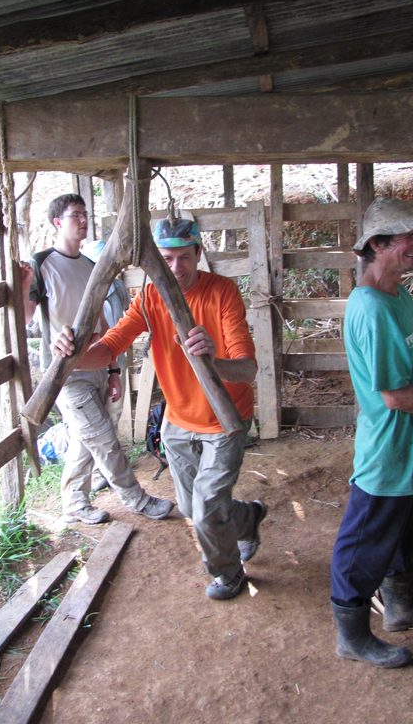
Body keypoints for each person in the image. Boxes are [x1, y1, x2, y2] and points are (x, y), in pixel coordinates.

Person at [53, 218, 267, 600]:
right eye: (166, 258)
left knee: (205, 509)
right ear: (154, 263)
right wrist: (73, 356)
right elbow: (110, 346)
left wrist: (212, 360)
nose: (176, 268)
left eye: (185, 257)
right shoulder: (150, 297)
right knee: (191, 506)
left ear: (199, 255)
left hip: (225, 419)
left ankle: (228, 572)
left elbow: (247, 368)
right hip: (178, 420)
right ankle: (247, 517)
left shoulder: (222, 292)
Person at [330, 197, 413, 669]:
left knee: (405, 531)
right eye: (408, 238)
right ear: (379, 245)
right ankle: (352, 635)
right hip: (387, 452)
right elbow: (396, 397)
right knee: (363, 544)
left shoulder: (397, 295)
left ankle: (402, 608)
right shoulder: (370, 309)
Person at [21, 193, 174, 525]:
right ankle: (137, 500)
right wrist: (20, 287)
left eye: (84, 214)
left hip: (98, 366)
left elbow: (104, 323)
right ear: (57, 223)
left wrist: (114, 368)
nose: (83, 220)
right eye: (75, 215)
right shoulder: (41, 263)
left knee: (85, 438)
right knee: (103, 438)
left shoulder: (92, 266)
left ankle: (74, 502)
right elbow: (26, 316)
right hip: (65, 374)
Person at [81, 238, 131, 493]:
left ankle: (104, 472)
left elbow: (124, 319)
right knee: (92, 427)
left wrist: (115, 369)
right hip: (88, 364)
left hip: (114, 360)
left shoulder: (119, 287)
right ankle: (95, 475)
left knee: (112, 414)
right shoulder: (84, 290)